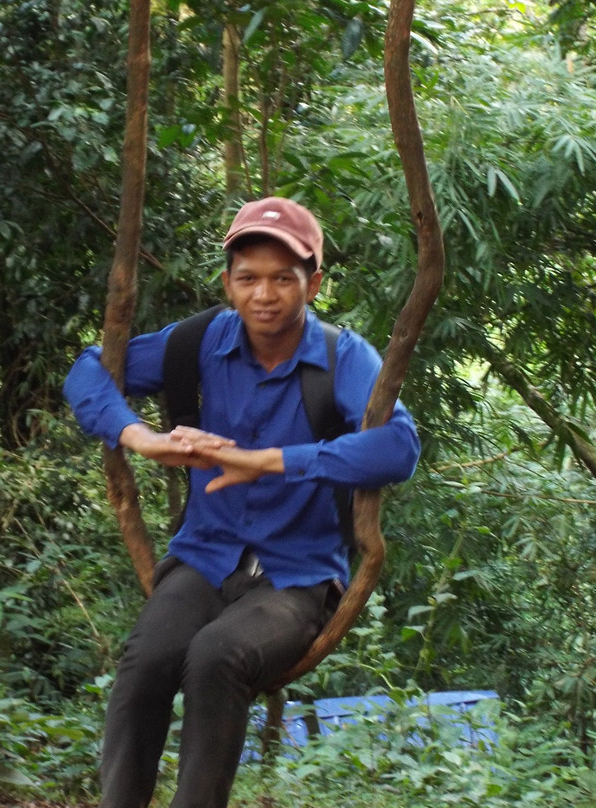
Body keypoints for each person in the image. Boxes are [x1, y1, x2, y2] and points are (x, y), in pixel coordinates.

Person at [63, 196, 420, 808]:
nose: (265, 294)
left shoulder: (342, 356)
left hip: (298, 576)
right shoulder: (200, 341)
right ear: (228, 283)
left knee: (216, 657)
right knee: (146, 662)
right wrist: (143, 439)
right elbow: (89, 371)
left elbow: (399, 449)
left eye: (284, 278)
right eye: (249, 278)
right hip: (205, 558)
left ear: (313, 284)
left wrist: (271, 461)